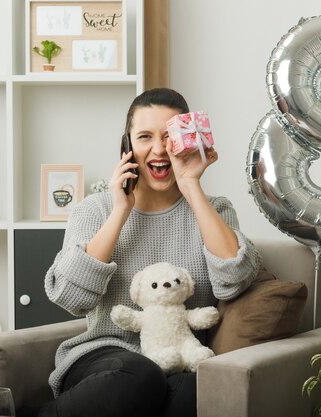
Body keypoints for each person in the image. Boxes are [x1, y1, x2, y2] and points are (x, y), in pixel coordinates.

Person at [33, 88, 261, 417]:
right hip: (105, 360)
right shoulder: (94, 211)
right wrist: (119, 211)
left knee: (194, 391)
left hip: (179, 359)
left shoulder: (215, 211)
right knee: (141, 375)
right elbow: (70, 297)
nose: (159, 150)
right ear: (126, 145)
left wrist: (191, 186)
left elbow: (234, 282)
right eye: (144, 137)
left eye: (170, 137)